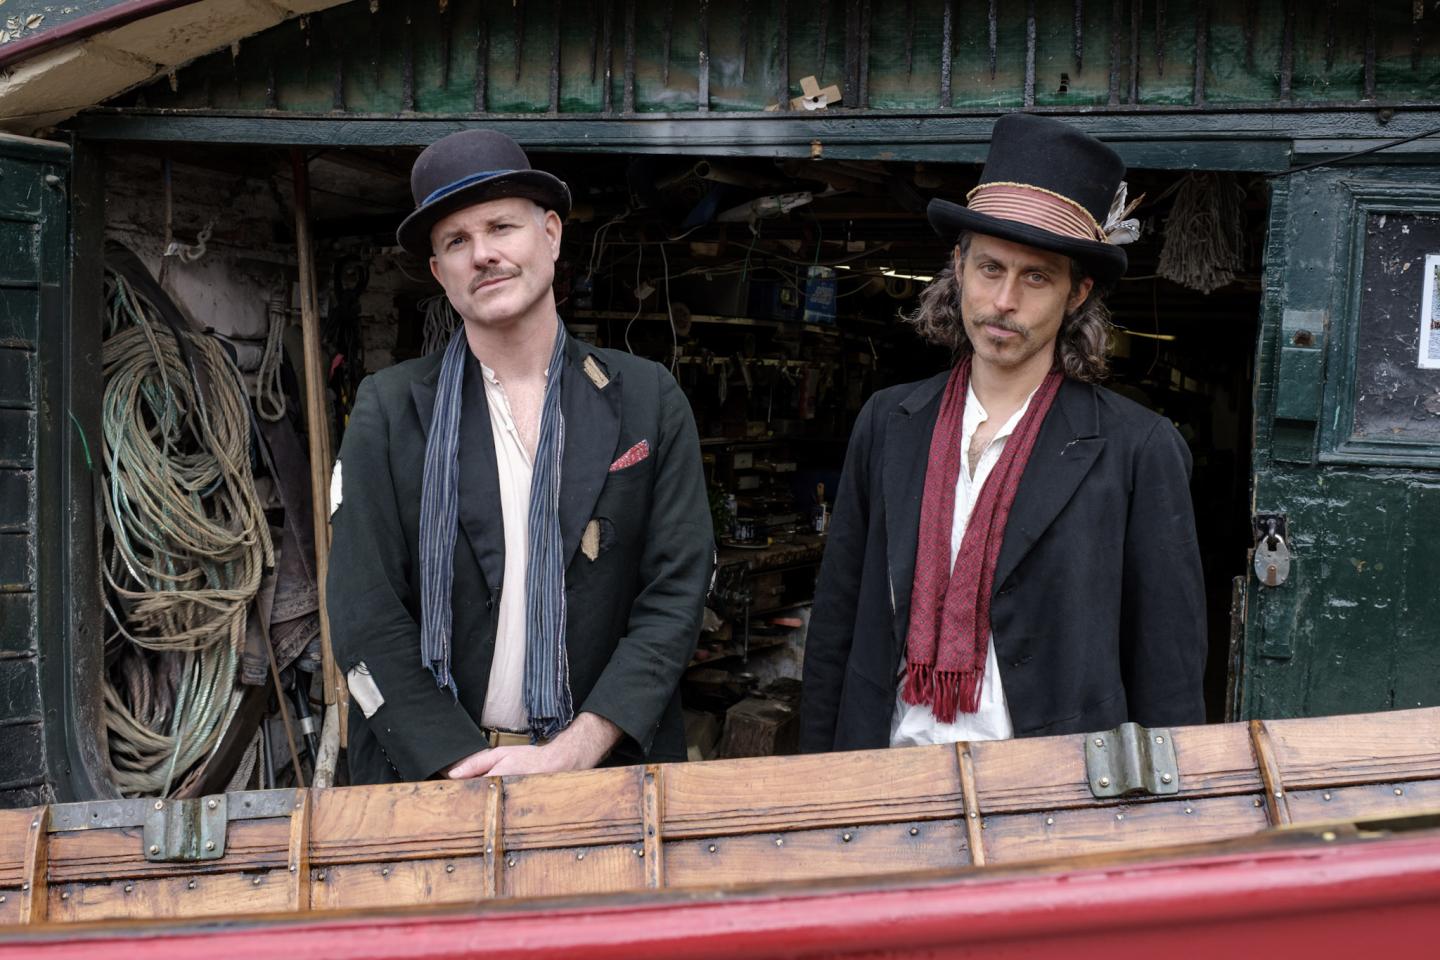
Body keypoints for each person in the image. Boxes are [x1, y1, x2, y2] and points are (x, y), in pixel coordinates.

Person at [800, 114, 1206, 753]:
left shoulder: (1137, 448)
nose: (1005, 300)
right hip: (886, 776)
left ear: (1077, 293)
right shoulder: (889, 421)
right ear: (958, 268)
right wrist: (816, 785)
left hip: (1053, 794)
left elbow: (1169, 668)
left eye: (1037, 276)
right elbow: (836, 623)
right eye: (990, 268)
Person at [327, 130, 713, 784]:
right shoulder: (388, 412)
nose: (483, 254)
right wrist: (459, 764)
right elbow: (364, 613)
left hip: (604, 775)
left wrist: (579, 746)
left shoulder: (648, 398)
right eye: (455, 241)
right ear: (438, 272)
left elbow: (676, 592)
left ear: (552, 236)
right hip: (426, 781)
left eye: (501, 226)